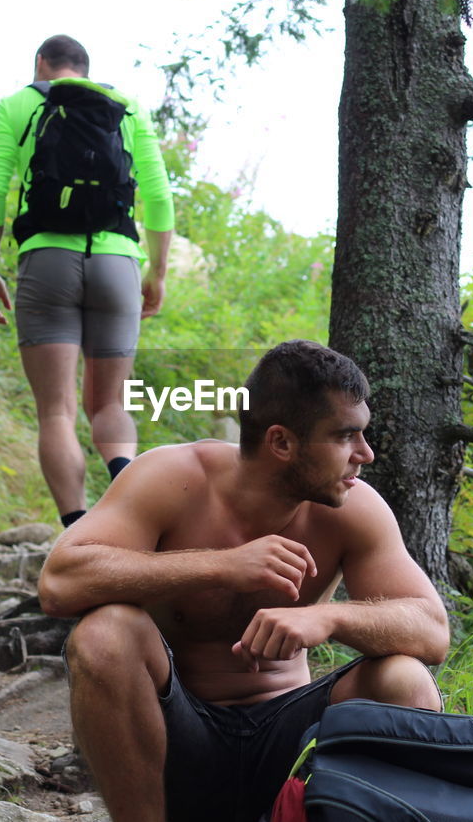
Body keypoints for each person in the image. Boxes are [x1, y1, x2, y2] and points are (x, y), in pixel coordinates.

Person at [37, 340, 450, 822]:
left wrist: (329, 616)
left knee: (403, 679)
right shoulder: (174, 476)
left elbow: (432, 632)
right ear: (281, 442)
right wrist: (221, 564)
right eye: (345, 436)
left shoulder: (355, 507)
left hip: (293, 746)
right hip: (176, 742)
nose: (366, 454)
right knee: (104, 633)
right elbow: (60, 583)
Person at [0, 34, 174, 528]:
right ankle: (132, 509)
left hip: (47, 263)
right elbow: (160, 195)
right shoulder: (126, 108)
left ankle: (78, 532)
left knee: (57, 412)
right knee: (108, 403)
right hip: (117, 264)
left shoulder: (16, 105)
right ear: (84, 68)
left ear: (41, 65)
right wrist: (158, 270)